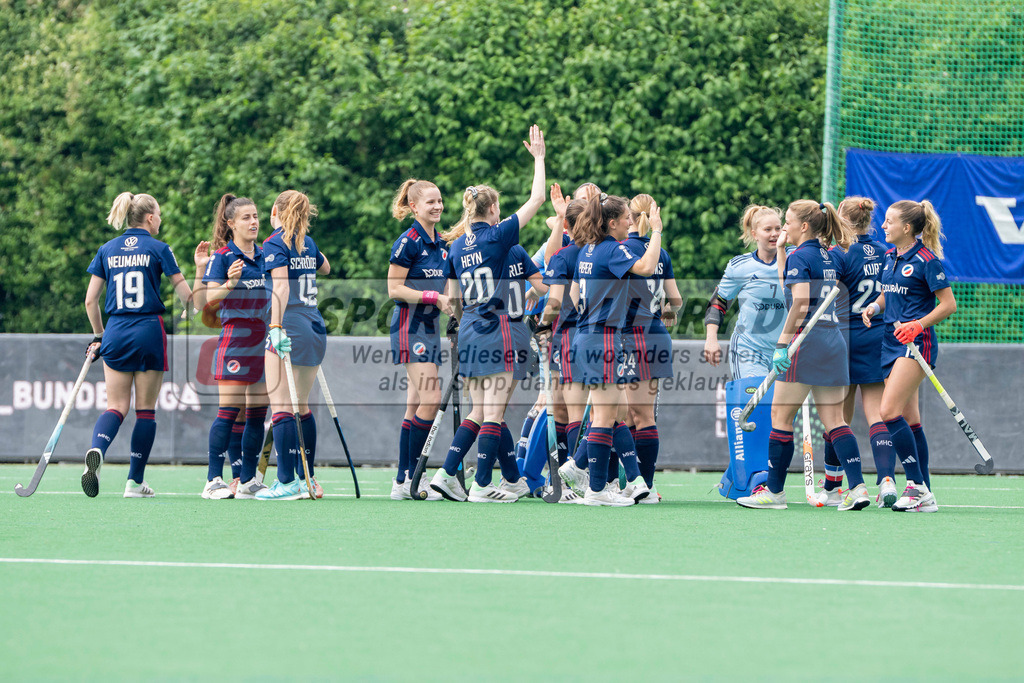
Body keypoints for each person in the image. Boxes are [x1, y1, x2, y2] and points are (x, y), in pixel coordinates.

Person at [431, 125, 548, 503]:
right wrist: (539, 159)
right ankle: (482, 484)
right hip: (499, 329)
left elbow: (451, 300)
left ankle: (448, 474)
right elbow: (537, 198)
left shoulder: (454, 248)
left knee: (480, 410)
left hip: (470, 329)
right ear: (493, 209)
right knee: (494, 413)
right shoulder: (499, 236)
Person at [737, 200, 870, 511]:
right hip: (833, 341)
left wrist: (782, 343)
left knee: (780, 418)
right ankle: (857, 488)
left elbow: (798, 301)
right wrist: (783, 251)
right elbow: (790, 283)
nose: (785, 227)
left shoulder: (802, 256)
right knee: (835, 421)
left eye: (789, 222)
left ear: (805, 227)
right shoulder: (825, 255)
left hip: (805, 344)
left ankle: (774, 493)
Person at [82, 192, 194, 498]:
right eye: (158, 214)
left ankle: (98, 449)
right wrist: (192, 302)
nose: (160, 219)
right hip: (148, 330)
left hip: (116, 330)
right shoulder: (159, 248)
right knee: (145, 410)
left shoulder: (107, 249)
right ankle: (134, 482)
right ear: (149, 218)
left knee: (116, 406)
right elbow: (187, 295)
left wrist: (98, 335)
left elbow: (91, 300)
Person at [564, 194, 667, 506]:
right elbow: (648, 266)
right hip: (602, 338)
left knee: (612, 412)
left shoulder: (589, 248)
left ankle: (584, 472)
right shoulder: (612, 249)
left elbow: (575, 292)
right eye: (626, 218)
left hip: (588, 336)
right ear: (612, 223)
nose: (630, 222)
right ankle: (595, 489)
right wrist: (658, 230)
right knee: (607, 415)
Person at [862, 199, 956, 513]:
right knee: (911, 420)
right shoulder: (890, 256)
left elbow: (947, 305)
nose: (884, 226)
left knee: (888, 411)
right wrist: (875, 306)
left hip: (916, 344)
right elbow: (890, 294)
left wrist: (917, 325)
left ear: (906, 228)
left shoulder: (927, 260)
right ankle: (924, 489)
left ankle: (916, 487)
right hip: (890, 341)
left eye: (889, 221)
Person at [814, 197, 899, 507]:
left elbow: (824, 293)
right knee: (876, 413)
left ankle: (836, 486)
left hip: (844, 338)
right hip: (878, 337)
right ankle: (887, 480)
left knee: (837, 418)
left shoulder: (839, 253)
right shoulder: (885, 250)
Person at [192, 194, 271, 500]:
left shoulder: (266, 255)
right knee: (228, 412)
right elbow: (207, 301)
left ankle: (249, 480)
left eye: (255, 217)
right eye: (246, 218)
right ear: (231, 223)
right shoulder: (223, 257)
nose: (253, 222)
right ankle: (213, 479)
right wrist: (230, 283)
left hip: (264, 340)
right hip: (236, 339)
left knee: (256, 415)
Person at [257, 190, 330, 500]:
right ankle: (307, 478)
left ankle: (286, 482)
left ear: (275, 211)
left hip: (291, 325)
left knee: (282, 407)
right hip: (315, 326)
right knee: (301, 406)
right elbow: (325, 267)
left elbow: (282, 286)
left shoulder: (275, 242)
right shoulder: (307, 242)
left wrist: (275, 326)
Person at [386, 179, 450, 501]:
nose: (437, 206)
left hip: (430, 328)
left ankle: (403, 481)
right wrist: (432, 296)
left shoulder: (441, 242)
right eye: (430, 202)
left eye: (439, 201)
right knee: (431, 398)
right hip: (410, 326)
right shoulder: (408, 241)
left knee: (415, 404)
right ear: (414, 207)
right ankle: (415, 475)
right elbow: (394, 289)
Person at [620, 194, 683, 501]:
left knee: (638, 415)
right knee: (635, 415)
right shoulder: (662, 253)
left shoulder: (620, 250)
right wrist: (665, 312)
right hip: (656, 335)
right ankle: (636, 481)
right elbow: (677, 301)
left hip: (632, 337)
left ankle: (642, 484)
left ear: (627, 217)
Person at [703, 205, 789, 378]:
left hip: (787, 350)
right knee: (755, 404)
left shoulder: (796, 257)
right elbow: (718, 303)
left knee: (782, 406)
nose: (775, 234)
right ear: (754, 234)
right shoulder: (739, 266)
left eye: (778, 228)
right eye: (768, 229)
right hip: (749, 349)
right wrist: (711, 338)